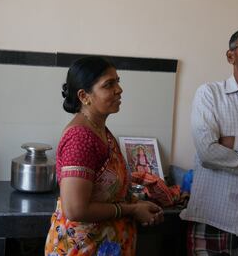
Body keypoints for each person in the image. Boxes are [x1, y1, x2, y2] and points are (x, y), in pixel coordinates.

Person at [44, 56, 164, 256]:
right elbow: (75, 209)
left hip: (103, 245)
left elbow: (106, 193)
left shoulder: (100, 130)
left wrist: (136, 203)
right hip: (81, 248)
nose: (119, 89)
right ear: (84, 96)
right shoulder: (80, 137)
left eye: (118, 81)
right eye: (109, 84)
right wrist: (131, 210)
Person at [180, 23, 238, 255]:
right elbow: (208, 153)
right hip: (211, 216)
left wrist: (236, 143)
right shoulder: (209, 94)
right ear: (230, 55)